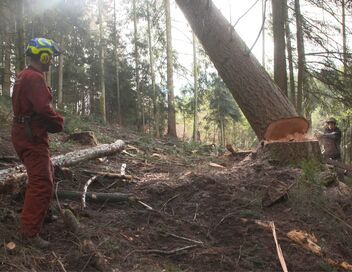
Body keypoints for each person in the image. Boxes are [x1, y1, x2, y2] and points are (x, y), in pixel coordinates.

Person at [11, 38, 64, 249]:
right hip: (31, 136)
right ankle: (29, 232)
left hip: (24, 132)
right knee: (42, 182)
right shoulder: (34, 78)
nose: (51, 61)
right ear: (42, 56)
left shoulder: (24, 75)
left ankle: (42, 214)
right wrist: (59, 123)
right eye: (49, 56)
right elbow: (43, 109)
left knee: (44, 172)